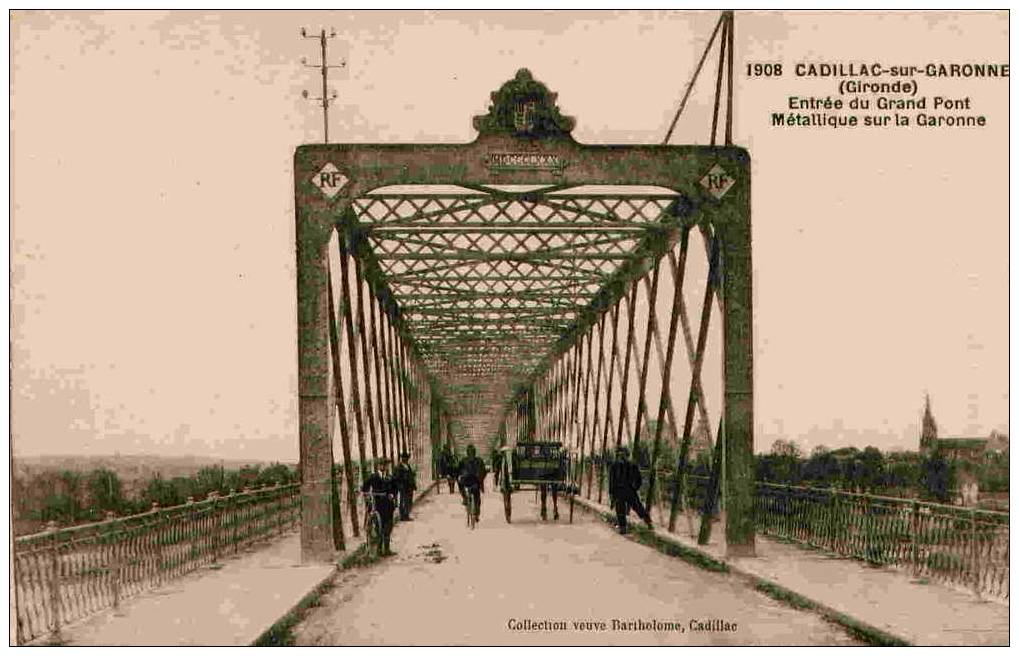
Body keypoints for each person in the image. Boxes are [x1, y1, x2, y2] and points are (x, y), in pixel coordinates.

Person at [608, 446, 652, 534]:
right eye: (620, 454)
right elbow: (612, 481)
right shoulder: (618, 466)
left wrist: (634, 487)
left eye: (622, 454)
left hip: (626, 490)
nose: (621, 456)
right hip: (624, 490)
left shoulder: (626, 466)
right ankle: (624, 527)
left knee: (635, 507)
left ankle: (647, 522)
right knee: (625, 508)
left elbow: (638, 479)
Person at [361, 458, 398, 555]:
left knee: (388, 526)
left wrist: (392, 495)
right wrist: (367, 495)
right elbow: (365, 487)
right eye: (382, 465)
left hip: (388, 505)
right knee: (378, 527)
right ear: (378, 466)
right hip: (377, 505)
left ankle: (387, 548)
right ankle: (378, 549)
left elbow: (395, 489)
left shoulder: (390, 477)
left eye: (386, 465)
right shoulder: (373, 477)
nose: (384, 467)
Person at [457, 444, 487, 522]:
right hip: (475, 482)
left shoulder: (463, 460)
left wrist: (460, 476)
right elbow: (484, 472)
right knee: (477, 498)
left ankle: (464, 498)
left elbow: (458, 471)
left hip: (466, 482)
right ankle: (476, 514)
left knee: (460, 484)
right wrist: (481, 481)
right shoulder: (479, 460)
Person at [393, 452, 417, 521]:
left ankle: (406, 514)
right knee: (403, 501)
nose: (406, 459)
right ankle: (403, 516)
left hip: (409, 487)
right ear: (402, 458)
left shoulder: (408, 466)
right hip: (403, 487)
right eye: (404, 458)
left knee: (409, 501)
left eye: (406, 458)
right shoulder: (399, 467)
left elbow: (410, 475)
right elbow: (397, 477)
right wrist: (400, 485)